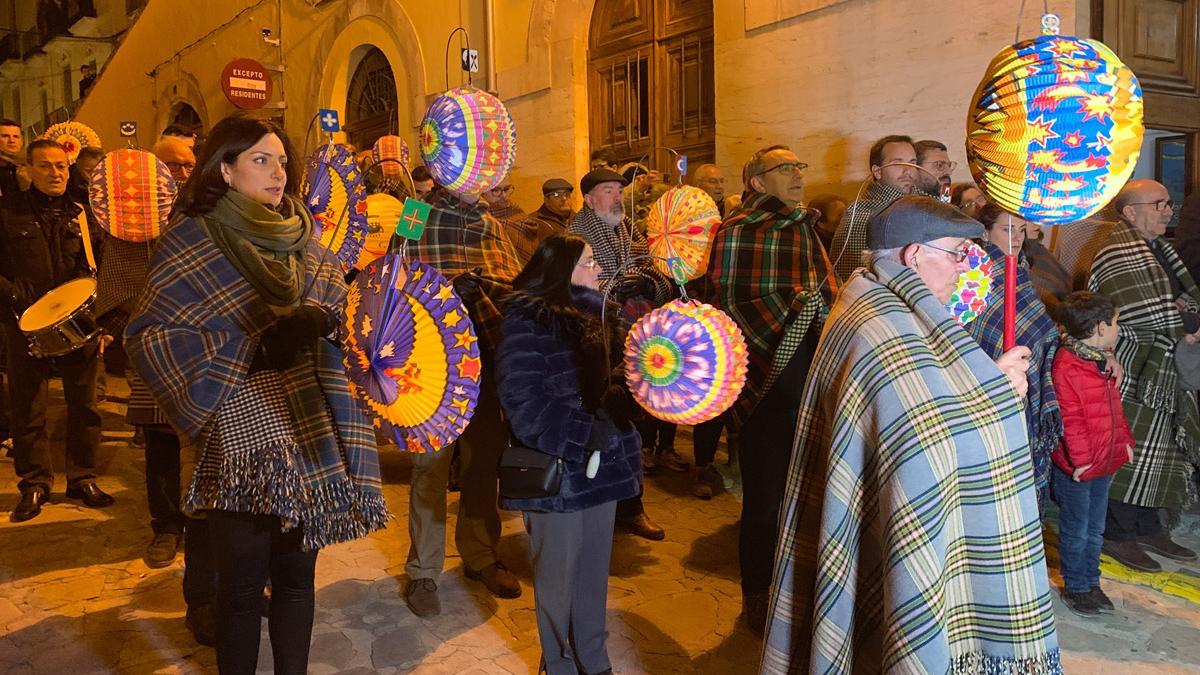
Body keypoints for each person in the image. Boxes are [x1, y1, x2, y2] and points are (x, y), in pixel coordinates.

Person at [125, 115, 390, 673]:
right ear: (225, 169)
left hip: (309, 427)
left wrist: (326, 324)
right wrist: (250, 346)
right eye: (261, 160)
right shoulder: (190, 239)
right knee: (241, 589)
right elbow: (151, 335)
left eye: (282, 161)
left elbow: (341, 314)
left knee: (297, 580)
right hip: (239, 433)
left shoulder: (304, 237)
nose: (278, 173)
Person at [762, 196, 1061, 674]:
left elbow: (932, 392)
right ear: (913, 254)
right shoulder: (881, 323)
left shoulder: (874, 297)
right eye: (957, 254)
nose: (965, 270)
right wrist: (999, 395)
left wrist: (988, 376)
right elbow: (925, 443)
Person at [495, 233, 641, 675]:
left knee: (593, 576)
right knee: (557, 582)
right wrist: (582, 434)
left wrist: (624, 399)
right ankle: (557, 665)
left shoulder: (604, 317)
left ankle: (594, 662)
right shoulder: (526, 321)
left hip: (605, 471)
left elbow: (617, 382)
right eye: (589, 262)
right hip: (558, 473)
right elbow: (523, 403)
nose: (598, 269)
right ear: (559, 270)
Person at [94, 135, 216, 644]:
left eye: (189, 164)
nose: (182, 173)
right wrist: (141, 328)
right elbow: (116, 292)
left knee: (210, 445)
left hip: (205, 345)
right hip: (152, 345)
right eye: (173, 165)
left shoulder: (207, 219)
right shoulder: (128, 228)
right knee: (162, 442)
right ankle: (167, 525)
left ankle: (207, 524)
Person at [385, 176, 526, 617]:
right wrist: (444, 294)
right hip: (429, 367)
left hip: (483, 362)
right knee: (430, 468)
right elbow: (391, 280)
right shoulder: (415, 212)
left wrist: (484, 289)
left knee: (484, 462)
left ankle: (480, 555)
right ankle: (423, 570)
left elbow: (511, 286)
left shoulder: (493, 223)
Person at [705, 144, 831, 633]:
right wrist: (798, 302)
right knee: (764, 498)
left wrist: (818, 307)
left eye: (801, 165)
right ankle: (756, 594)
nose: (798, 174)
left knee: (808, 494)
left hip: (811, 373)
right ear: (756, 182)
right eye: (785, 167)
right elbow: (730, 300)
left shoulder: (804, 228)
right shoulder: (737, 232)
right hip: (763, 379)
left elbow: (825, 290)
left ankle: (798, 586)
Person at [1089, 179, 1200, 572]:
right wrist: (1187, 322)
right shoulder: (1116, 250)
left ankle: (1148, 527)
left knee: (1161, 449)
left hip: (1163, 363)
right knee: (1129, 452)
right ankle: (1117, 535)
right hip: (1136, 366)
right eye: (1158, 204)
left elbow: (1180, 299)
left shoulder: (1161, 247)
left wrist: (1186, 316)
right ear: (1130, 212)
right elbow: (1140, 312)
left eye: (1169, 203)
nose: (1168, 210)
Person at [2, 139, 110, 523]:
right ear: (29, 171)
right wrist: (15, 298)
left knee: (85, 407)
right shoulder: (8, 215)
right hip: (22, 326)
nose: (56, 174)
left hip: (79, 325)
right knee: (28, 408)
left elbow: (101, 268)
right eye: (46, 166)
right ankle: (34, 483)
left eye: (62, 167)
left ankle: (82, 478)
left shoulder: (82, 215)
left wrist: (103, 323)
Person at [569, 167, 672, 541]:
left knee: (631, 425)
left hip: (636, 339)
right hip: (595, 344)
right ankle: (600, 506)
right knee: (600, 424)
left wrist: (647, 282)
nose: (617, 197)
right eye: (608, 190)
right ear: (589, 198)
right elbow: (573, 292)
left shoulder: (628, 231)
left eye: (618, 190)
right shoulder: (576, 236)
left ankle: (631, 505)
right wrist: (612, 292)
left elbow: (657, 271)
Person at [971, 203, 1061, 506]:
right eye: (1008, 229)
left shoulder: (1021, 267)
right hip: (988, 372)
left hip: (1025, 369)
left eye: (1022, 230)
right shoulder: (976, 271)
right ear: (985, 231)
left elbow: (1034, 323)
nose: (1017, 237)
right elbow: (981, 326)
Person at [1051, 291, 1134, 617]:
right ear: (1100, 327)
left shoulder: (1096, 358)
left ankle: (1092, 581)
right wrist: (1083, 462)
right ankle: (1076, 587)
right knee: (1076, 528)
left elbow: (1113, 410)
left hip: (1103, 460)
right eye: (1115, 323)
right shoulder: (1068, 366)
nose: (1118, 329)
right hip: (1080, 466)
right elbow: (1070, 420)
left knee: (1095, 528)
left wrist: (1124, 440)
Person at [829, 134, 920, 283]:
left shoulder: (921, 206)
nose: (907, 171)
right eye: (897, 164)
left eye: (912, 163)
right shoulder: (861, 216)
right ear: (877, 171)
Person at [806, 192, 846, 257]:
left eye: (846, 212)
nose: (847, 217)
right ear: (821, 223)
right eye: (839, 215)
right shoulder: (814, 246)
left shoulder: (845, 236)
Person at [0, 118, 28, 198]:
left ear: (21, 140)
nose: (11, 140)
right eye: (5, 136)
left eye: (16, 136)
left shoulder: (32, 165)